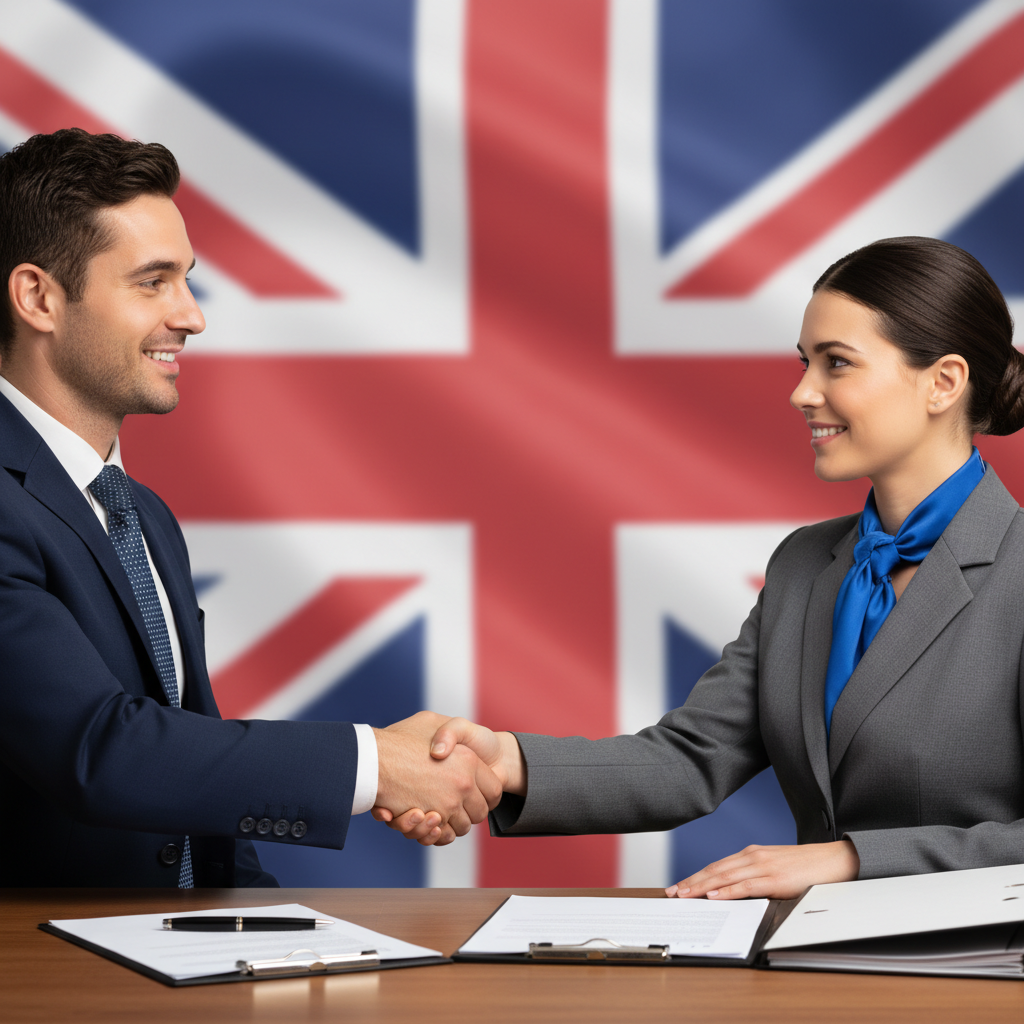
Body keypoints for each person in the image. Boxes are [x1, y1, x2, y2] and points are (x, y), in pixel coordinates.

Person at [378, 236, 1024, 898]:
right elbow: (689, 760)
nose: (803, 392)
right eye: (805, 363)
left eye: (837, 364)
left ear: (944, 382)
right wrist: (507, 760)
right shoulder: (806, 565)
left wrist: (850, 860)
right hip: (819, 963)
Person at [0, 128, 501, 887]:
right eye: (152, 282)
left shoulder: (143, 516)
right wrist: (373, 766)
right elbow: (99, 750)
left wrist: (266, 931)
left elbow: (188, 773)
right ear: (39, 297)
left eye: (187, 279)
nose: (192, 316)